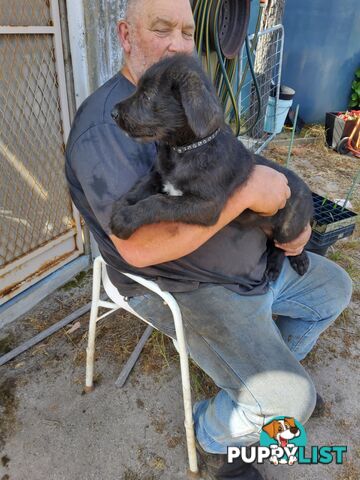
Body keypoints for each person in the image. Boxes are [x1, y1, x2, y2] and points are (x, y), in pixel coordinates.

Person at [65, 1, 352, 478]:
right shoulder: (106, 129)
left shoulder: (186, 96)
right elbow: (137, 247)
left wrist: (289, 216)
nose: (178, 44)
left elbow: (232, 165)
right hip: (188, 287)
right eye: (161, 29)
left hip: (257, 263)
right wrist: (244, 197)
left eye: (187, 31)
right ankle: (214, 429)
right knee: (290, 404)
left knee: (335, 290)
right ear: (125, 35)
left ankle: (263, 380)